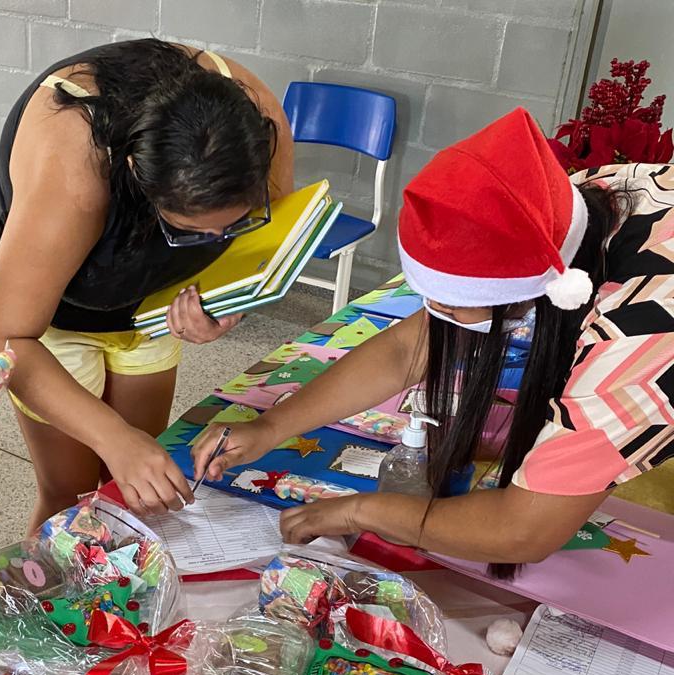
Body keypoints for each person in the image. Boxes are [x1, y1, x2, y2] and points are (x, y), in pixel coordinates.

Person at [194, 108, 674, 576]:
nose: (434, 315)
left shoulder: (635, 338)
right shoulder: (591, 201)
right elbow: (409, 347)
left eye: (450, 303)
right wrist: (270, 427)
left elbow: (524, 529)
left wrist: (361, 511)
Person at [0, 39, 295, 527]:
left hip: (148, 304)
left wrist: (227, 305)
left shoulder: (261, 125)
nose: (214, 241)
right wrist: (113, 437)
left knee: (130, 485)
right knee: (72, 492)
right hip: (46, 311)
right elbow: (2, 340)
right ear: (137, 178)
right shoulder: (75, 170)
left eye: (231, 224)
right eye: (188, 230)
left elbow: (261, 252)